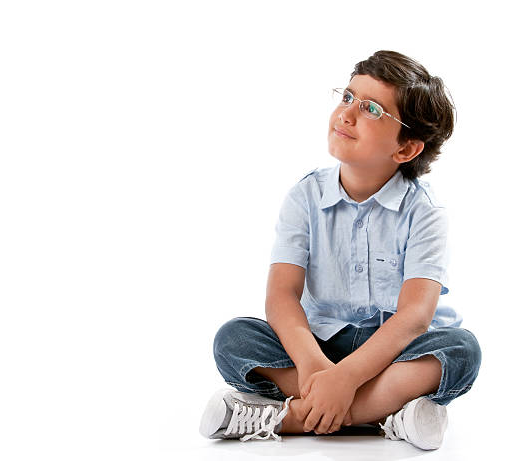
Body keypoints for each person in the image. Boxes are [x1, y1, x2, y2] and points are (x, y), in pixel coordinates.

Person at [198, 50, 481, 450]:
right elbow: (281, 295)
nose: (347, 114)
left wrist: (346, 379)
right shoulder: (305, 197)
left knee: (461, 350)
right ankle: (387, 413)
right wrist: (318, 368)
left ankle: (290, 418)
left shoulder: (425, 212)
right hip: (319, 346)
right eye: (347, 97)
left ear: (405, 150)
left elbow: (415, 317)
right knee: (234, 338)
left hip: (395, 349)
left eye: (370, 109)